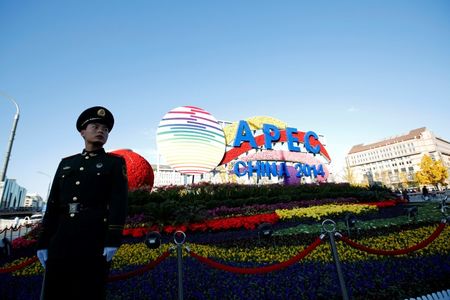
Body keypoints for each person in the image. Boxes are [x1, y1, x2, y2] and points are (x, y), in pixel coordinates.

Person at [36, 106, 128, 300]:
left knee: (89, 291)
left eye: (105, 129)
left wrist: (113, 239)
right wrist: (43, 242)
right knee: (55, 290)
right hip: (61, 238)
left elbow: (119, 201)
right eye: (95, 126)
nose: (101, 131)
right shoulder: (67, 163)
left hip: (94, 238)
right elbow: (53, 204)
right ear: (82, 132)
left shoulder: (114, 163)